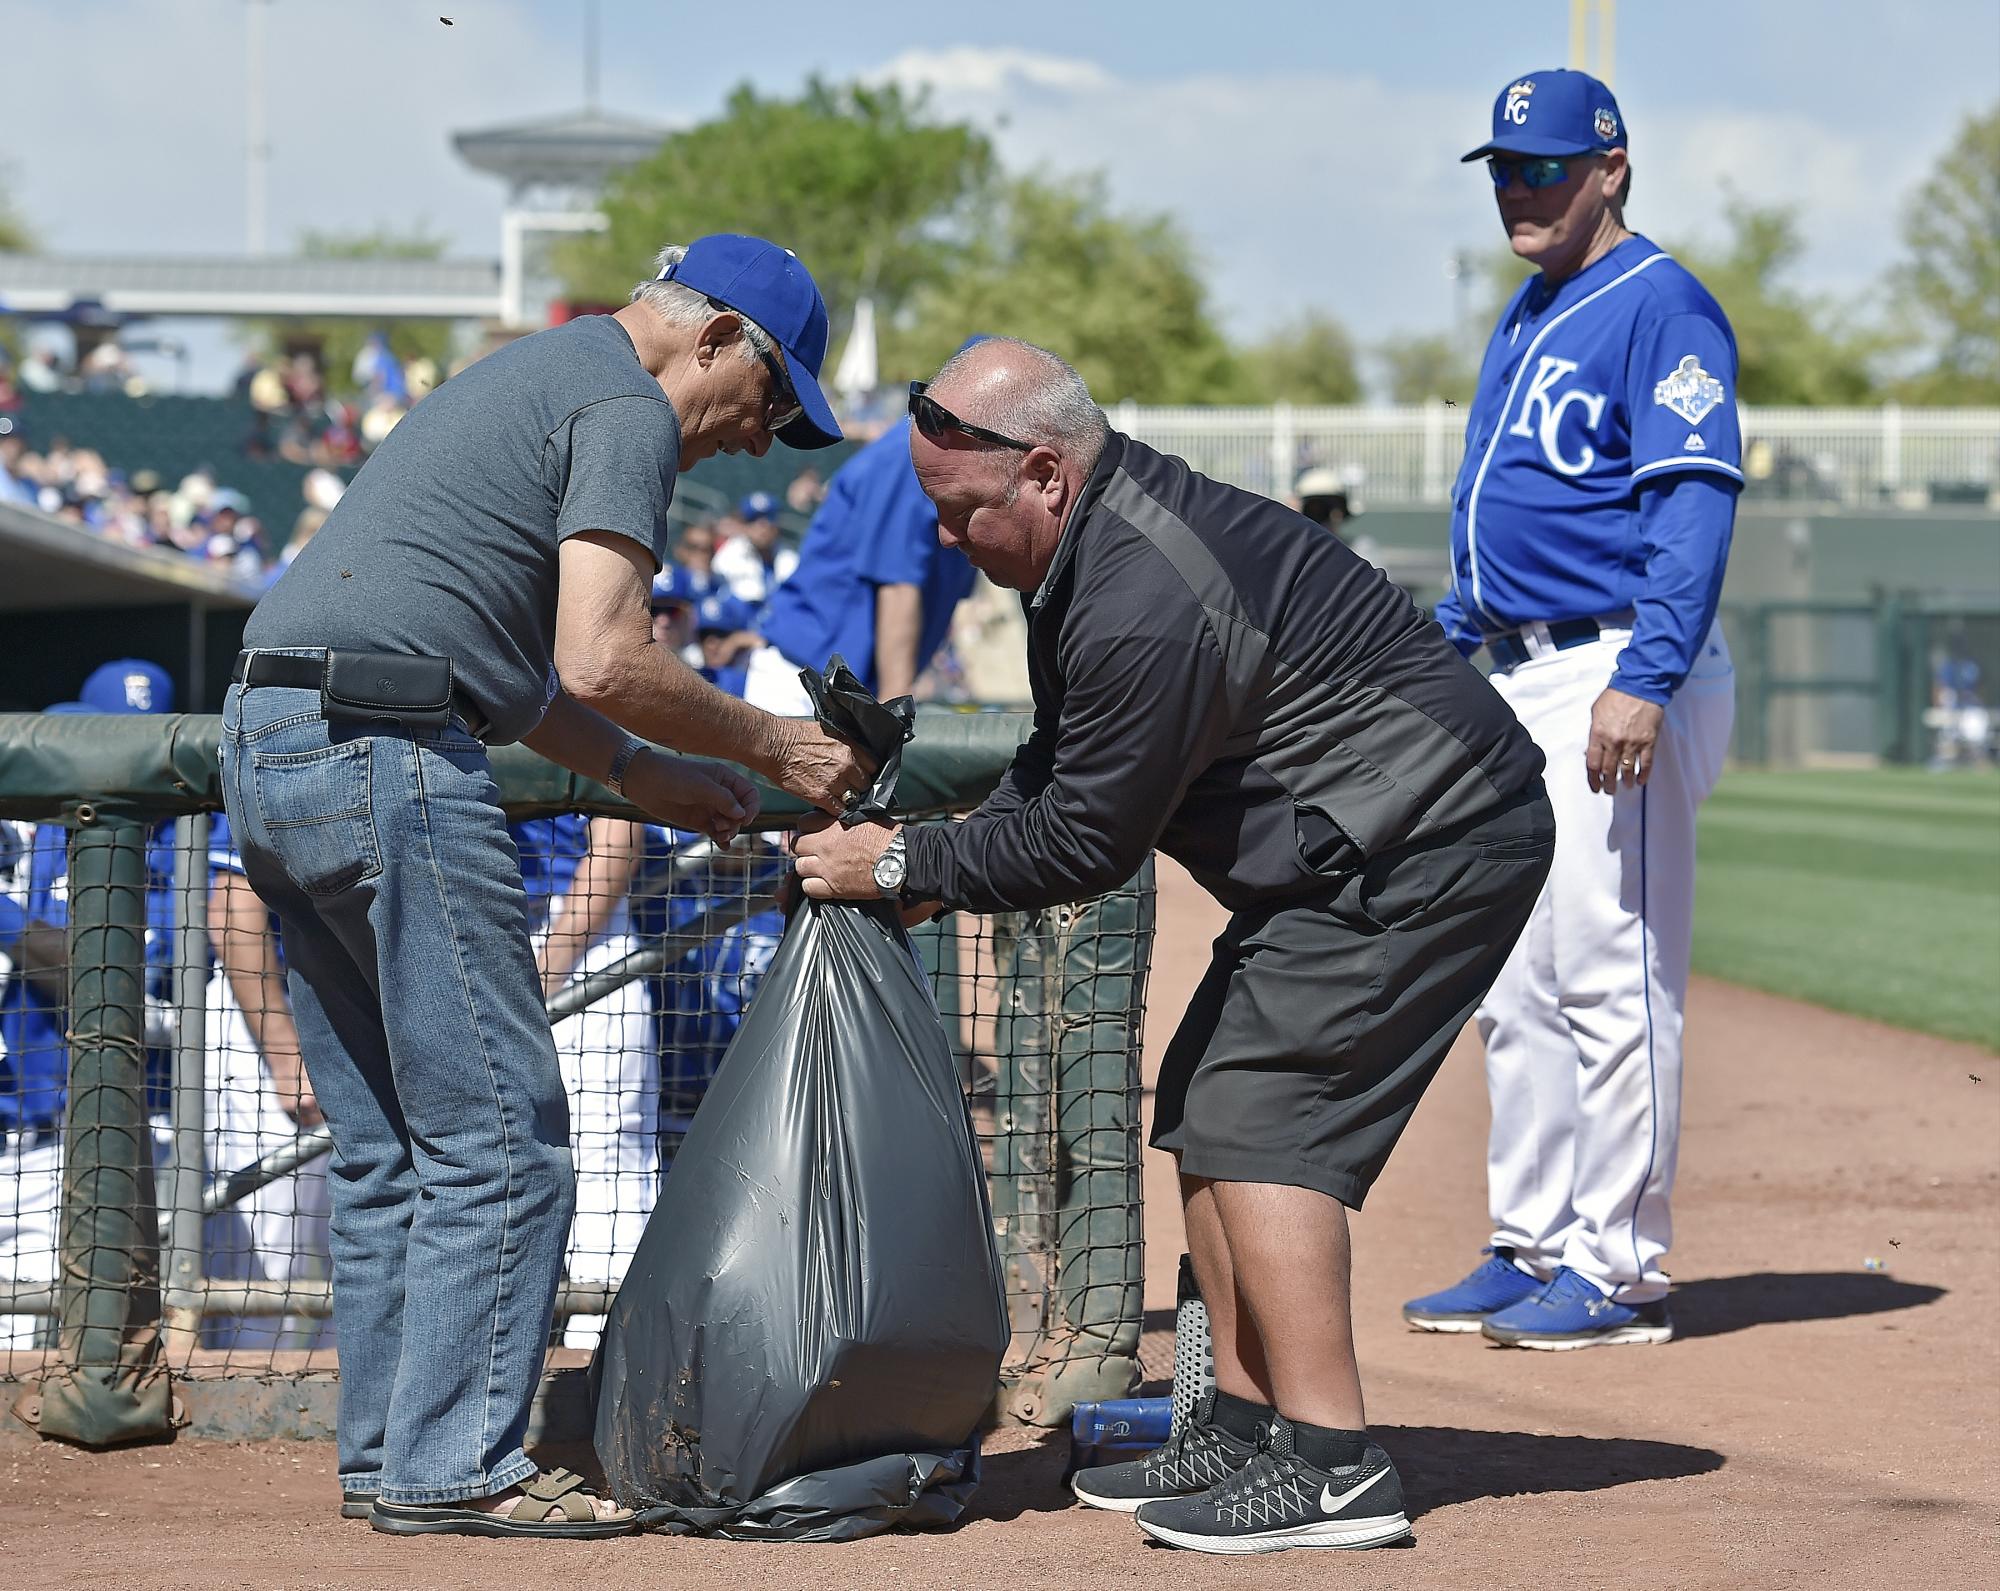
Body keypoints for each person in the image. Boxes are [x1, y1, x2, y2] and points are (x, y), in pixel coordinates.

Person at [791, 340, 1553, 1556]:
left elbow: (1088, 839)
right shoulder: (1090, 550)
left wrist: (897, 865)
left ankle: (1332, 1464)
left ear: (1043, 471)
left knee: (1262, 1117)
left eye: (959, 512)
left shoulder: (1139, 590)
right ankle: (1242, 1429)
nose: (945, 539)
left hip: (1426, 838)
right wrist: (932, 860)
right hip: (1353, 840)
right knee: (1206, 1100)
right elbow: (1054, 765)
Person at [221, 233, 868, 1539]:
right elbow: (607, 652)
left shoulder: (538, 372)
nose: (759, 439)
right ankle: (456, 1459)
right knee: (506, 1135)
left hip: (273, 742)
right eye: (772, 400)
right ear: (719, 336)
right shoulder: (624, 399)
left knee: (399, 1144)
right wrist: (780, 743)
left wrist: (638, 771)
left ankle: (393, 1454)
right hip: (386, 756)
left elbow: (522, 677)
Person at [1406, 70, 1739, 1350]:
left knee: (1613, 975)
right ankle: (1531, 1241)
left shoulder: (1660, 305)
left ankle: (1619, 1267)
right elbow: (1506, 532)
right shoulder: (1533, 306)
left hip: (1612, 668)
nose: (1516, 189)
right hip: (1519, 667)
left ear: (1610, 169)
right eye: (1501, 167)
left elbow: (1692, 506)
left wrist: (1643, 676)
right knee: (1519, 980)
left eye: (1541, 167)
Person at [510, 814, 656, 1351]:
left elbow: (618, 840)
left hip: (578, 940)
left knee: (604, 1166)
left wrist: (542, 976)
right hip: (472, 925)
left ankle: (601, 1363)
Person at [744, 401, 978, 716]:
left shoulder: (967, 461)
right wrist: (895, 716)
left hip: (849, 692)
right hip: (805, 680)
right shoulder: (921, 449)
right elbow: (898, 585)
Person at [711, 491, 796, 606]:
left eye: (768, 519)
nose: (762, 527)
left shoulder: (789, 557)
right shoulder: (729, 555)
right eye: (754, 520)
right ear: (744, 524)